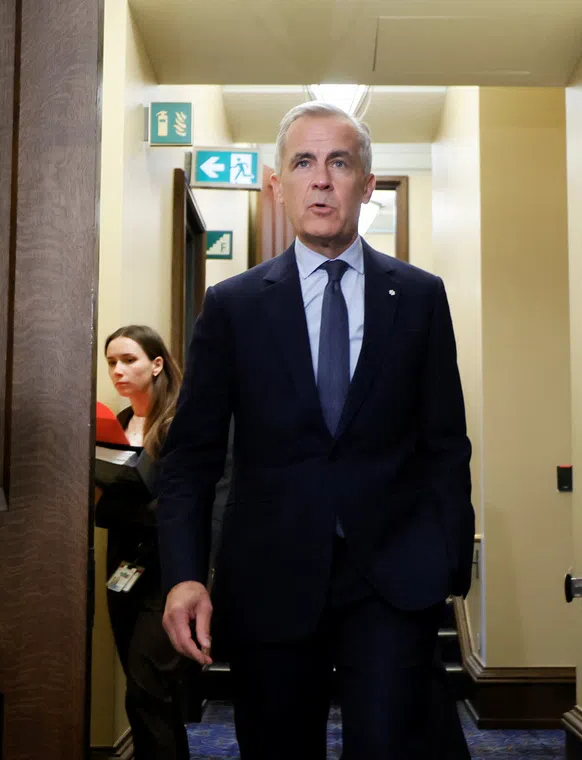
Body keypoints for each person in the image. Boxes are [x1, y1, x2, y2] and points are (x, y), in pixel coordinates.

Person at [155, 101, 475, 759]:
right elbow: (191, 457)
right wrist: (185, 574)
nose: (321, 180)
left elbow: (445, 441)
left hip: (391, 577)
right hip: (269, 574)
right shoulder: (234, 306)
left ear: (367, 183)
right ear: (278, 185)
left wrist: (447, 559)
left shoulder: (418, 297)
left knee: (390, 747)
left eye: (339, 162)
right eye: (303, 162)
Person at [95, 325, 197, 760]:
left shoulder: (178, 424)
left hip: (166, 570)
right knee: (143, 687)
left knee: (147, 686)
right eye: (112, 362)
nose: (118, 371)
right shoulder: (115, 424)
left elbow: (186, 501)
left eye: (129, 360)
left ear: (156, 364)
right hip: (123, 564)